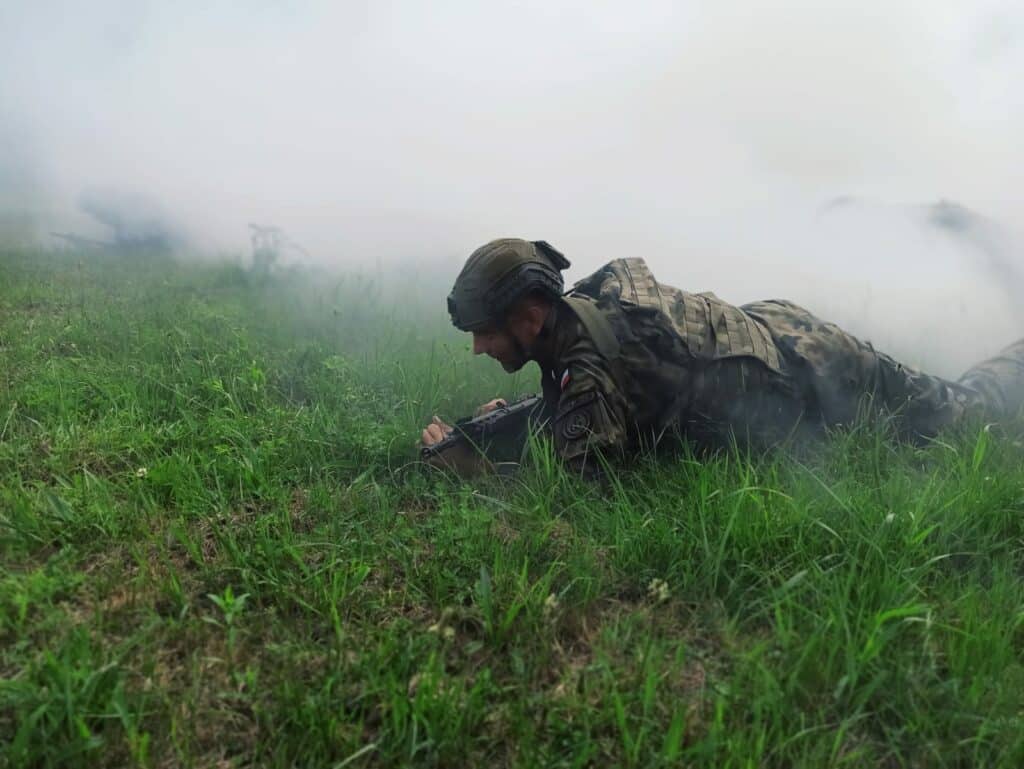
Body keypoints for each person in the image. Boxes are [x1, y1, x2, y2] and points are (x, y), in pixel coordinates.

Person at [421, 238, 1024, 476]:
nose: (478, 347)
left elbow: (580, 483)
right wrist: (500, 426)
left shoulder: (588, 359)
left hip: (813, 365)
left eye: (484, 332)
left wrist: (470, 468)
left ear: (528, 314)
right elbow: (577, 407)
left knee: (968, 411)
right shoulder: (574, 318)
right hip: (776, 332)